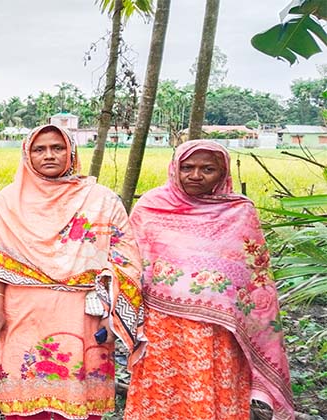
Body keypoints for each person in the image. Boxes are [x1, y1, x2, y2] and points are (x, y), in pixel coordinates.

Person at [0, 124, 146, 420]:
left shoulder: (101, 200)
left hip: (83, 314)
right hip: (23, 313)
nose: (49, 155)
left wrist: (111, 312)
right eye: (39, 149)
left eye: (58, 148)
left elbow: (125, 259)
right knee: (24, 396)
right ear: (27, 155)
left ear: (72, 152)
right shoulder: (8, 201)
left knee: (78, 399)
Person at [124, 140, 294, 420]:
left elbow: (254, 275)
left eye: (208, 169)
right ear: (174, 168)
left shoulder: (239, 212)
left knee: (214, 391)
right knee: (163, 394)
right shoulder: (151, 207)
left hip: (221, 330)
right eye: (187, 167)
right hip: (163, 326)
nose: (195, 175)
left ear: (223, 172)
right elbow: (130, 261)